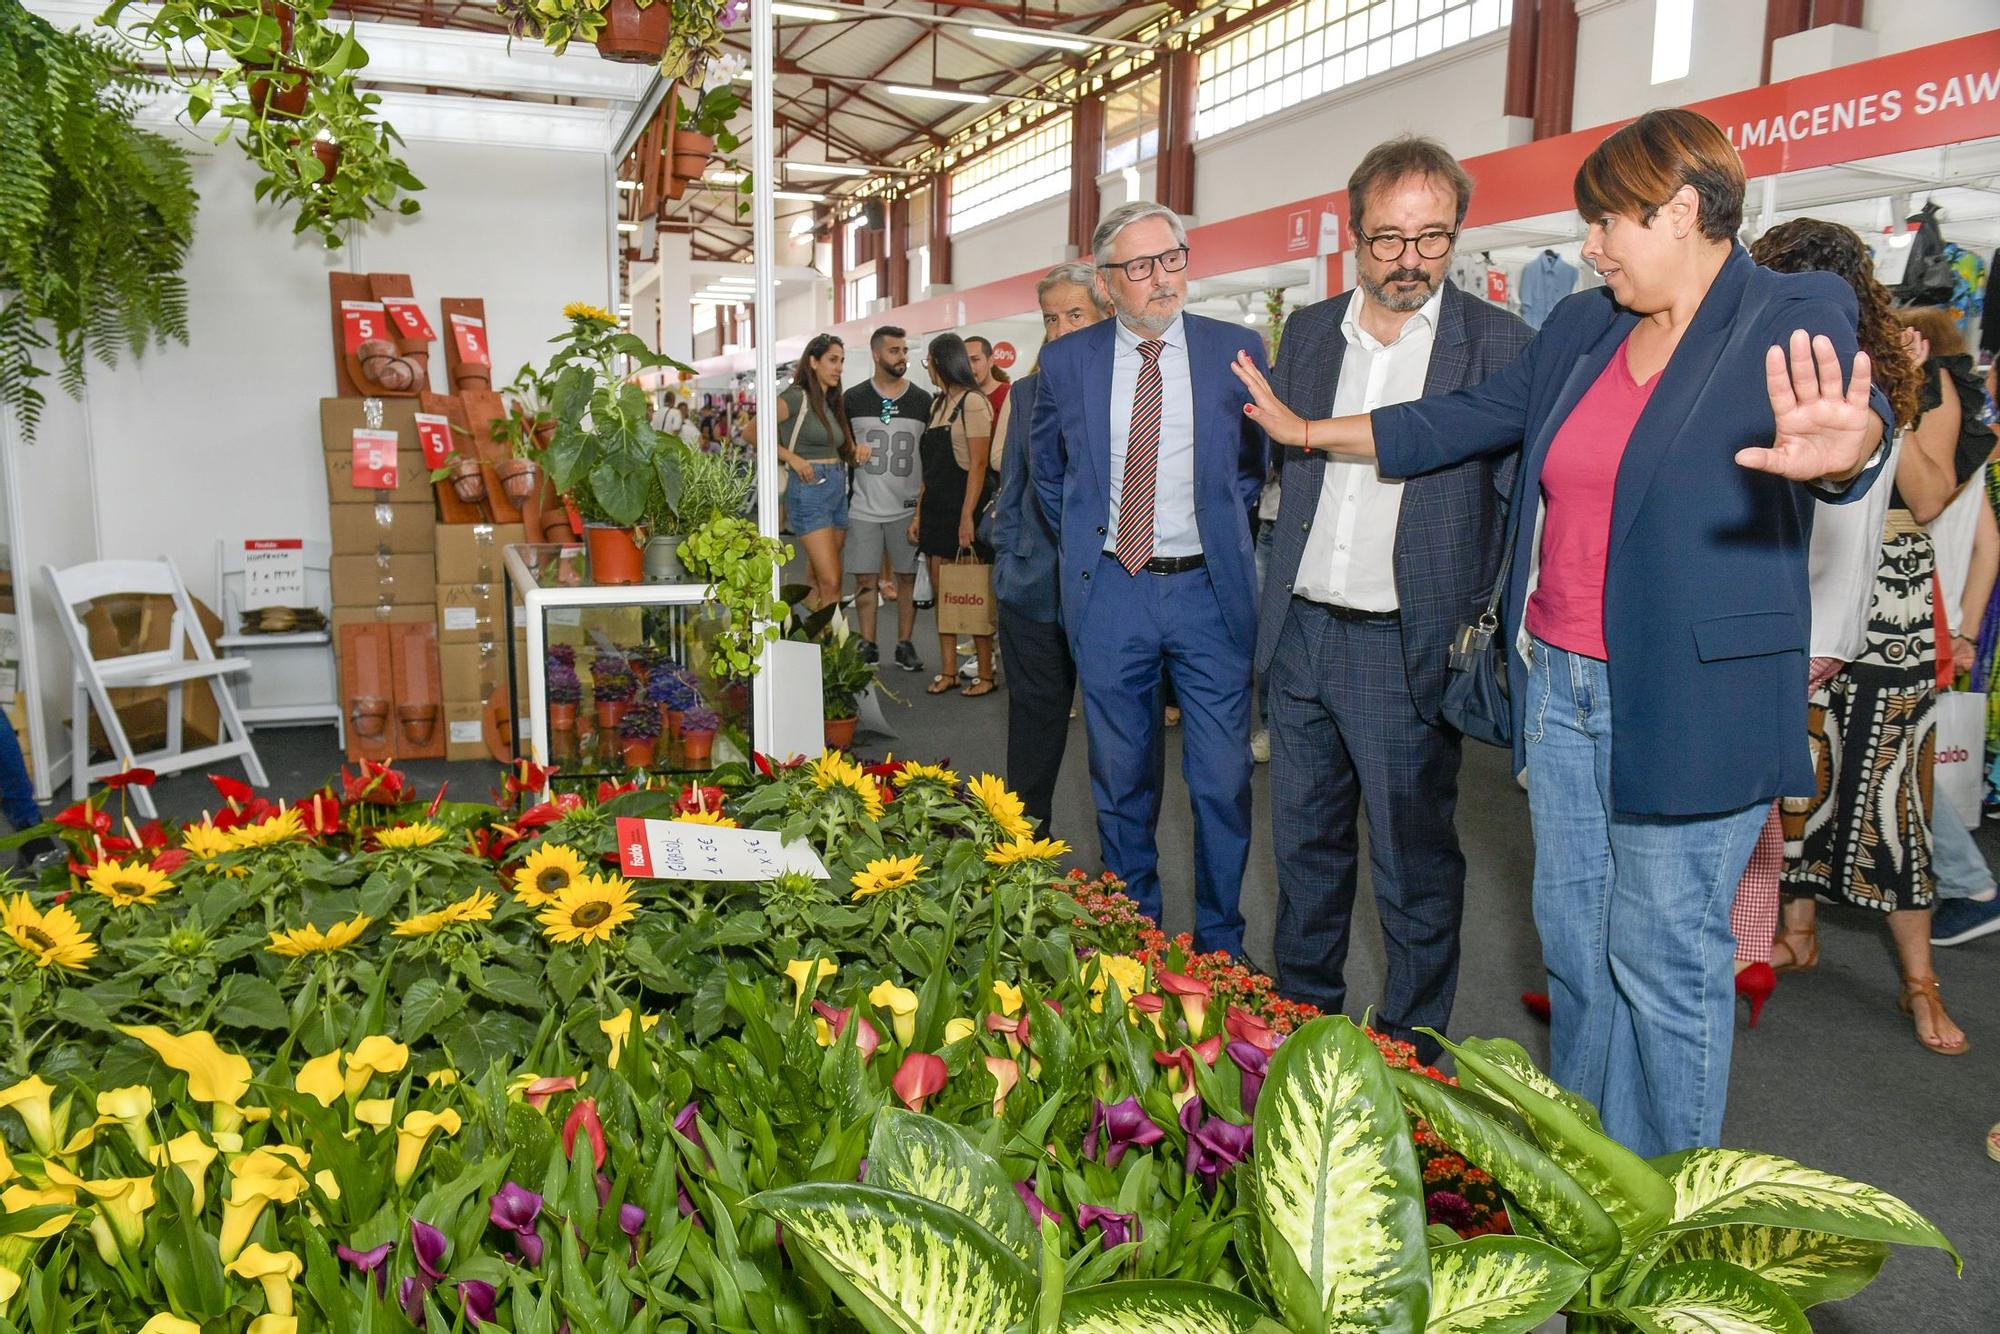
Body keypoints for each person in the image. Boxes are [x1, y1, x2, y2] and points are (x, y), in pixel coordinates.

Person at [1230, 109, 1892, 1156]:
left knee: (1661, 957)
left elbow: (1839, 417)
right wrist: (1310, 432)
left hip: (1684, 691)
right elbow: (1465, 416)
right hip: (1562, 684)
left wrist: (1851, 449)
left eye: (1603, 223)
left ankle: (1661, 1209)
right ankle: (1584, 1167)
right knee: (1578, 952)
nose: (1587, 245)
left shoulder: (1785, 304)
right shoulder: (1586, 327)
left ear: (1677, 211)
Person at [1258, 137, 1532, 1064]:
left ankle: (1412, 1057)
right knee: (1303, 853)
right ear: (1352, 232)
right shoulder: (1306, 332)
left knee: (1412, 867)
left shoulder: (1500, 345)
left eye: (1433, 238)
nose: (1410, 261)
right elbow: (1289, 479)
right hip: (1301, 634)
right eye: (1387, 240)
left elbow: (1511, 506)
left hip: (1405, 644)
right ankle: (1304, 1036)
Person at [1030, 200, 1269, 958]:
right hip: (1113, 594)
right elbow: (1050, 475)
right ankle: (1131, 937)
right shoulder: (1067, 362)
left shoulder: (1238, 349)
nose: (1163, 278)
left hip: (1209, 596)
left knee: (1221, 782)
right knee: (1121, 778)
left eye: (1173, 258)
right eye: (1141, 266)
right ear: (1106, 284)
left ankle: (1220, 948)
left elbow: (1256, 469)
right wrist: (1095, 550)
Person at [1714, 220, 1922, 1028]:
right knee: (1760, 790)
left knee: (1726, 794)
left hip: (1779, 614)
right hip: (1836, 621)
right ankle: (1753, 950)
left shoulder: (1797, 372)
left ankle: (1732, 952)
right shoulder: (1878, 371)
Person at [1771, 287, 1972, 1058]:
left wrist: (1903, 403)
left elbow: (1927, 497)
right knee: (1799, 770)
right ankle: (1797, 934)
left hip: (1892, 607)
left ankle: (1921, 981)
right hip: (1808, 577)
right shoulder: (1784, 364)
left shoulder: (1921, 380)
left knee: (1892, 790)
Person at [989, 263, 1110, 832]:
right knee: (1034, 730)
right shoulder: (1028, 391)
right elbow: (1011, 487)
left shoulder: (1137, 388)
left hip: (1116, 592)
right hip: (1034, 591)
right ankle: (1024, 850)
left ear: (1109, 314)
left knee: (1118, 741)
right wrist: (1010, 564)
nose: (1061, 331)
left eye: (1075, 315)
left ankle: (1123, 885)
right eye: (1051, 319)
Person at [910, 333, 998, 697]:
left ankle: (986, 674)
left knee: (973, 595)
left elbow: (979, 466)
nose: (927, 369)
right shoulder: (937, 405)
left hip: (966, 508)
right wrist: (918, 513)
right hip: (935, 509)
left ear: (940, 361)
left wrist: (967, 519)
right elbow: (928, 472)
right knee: (943, 596)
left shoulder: (973, 403)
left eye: (928, 361)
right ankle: (947, 670)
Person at [842, 326, 930, 672]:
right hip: (863, 505)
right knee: (864, 579)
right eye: (894, 350)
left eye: (904, 350)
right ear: (876, 354)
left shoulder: (923, 400)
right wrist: (852, 454)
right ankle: (868, 643)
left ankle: (905, 644)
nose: (902, 357)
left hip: (906, 507)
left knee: (906, 578)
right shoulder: (853, 398)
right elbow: (842, 448)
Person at [747, 334, 852, 608]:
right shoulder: (795, 398)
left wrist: (857, 452)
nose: (839, 367)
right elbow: (751, 432)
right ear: (813, 362)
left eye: (841, 360)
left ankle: (810, 636)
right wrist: (791, 457)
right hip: (809, 491)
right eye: (832, 359)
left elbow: (839, 447)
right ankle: (830, 648)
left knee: (819, 580)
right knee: (832, 583)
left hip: (837, 490)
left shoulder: (831, 402)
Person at [967, 336, 1011, 416]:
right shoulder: (960, 397)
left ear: (990, 361)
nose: (970, 366)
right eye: (965, 361)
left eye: (975, 360)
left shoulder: (1009, 393)